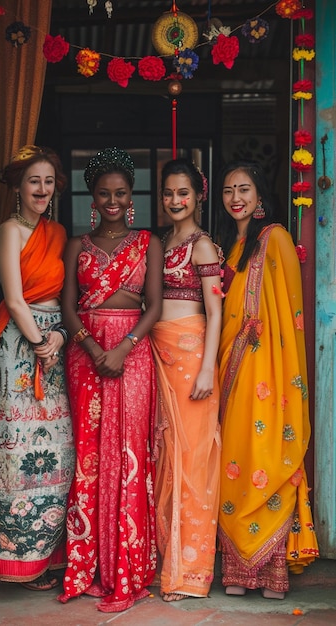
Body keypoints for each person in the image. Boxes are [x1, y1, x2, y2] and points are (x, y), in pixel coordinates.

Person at [58, 147, 163, 612]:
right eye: (104, 193)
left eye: (121, 192)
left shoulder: (148, 242)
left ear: (131, 194)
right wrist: (93, 346)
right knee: (90, 454)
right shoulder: (76, 246)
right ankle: (90, 567)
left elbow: (154, 305)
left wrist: (121, 348)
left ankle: (128, 569)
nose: (113, 200)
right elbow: (67, 306)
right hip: (86, 356)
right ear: (92, 197)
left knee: (128, 453)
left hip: (133, 354)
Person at [215, 160, 319, 599]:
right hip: (232, 371)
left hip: (269, 372)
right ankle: (240, 573)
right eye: (227, 191)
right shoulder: (227, 246)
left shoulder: (273, 237)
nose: (236, 198)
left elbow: (289, 312)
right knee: (234, 461)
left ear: (259, 195)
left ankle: (272, 570)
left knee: (266, 454)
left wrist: (273, 363)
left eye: (244, 189)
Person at [0, 145, 75, 590]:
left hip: (54, 343)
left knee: (57, 452)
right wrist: (39, 343)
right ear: (18, 187)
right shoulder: (9, 232)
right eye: (33, 181)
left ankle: (51, 553)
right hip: (21, 347)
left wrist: (59, 336)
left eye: (49, 181)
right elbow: (15, 299)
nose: (42, 189)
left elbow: (66, 297)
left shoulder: (56, 232)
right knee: (20, 452)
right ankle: (21, 557)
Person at [150, 158, 222, 602]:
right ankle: (166, 562)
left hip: (192, 357)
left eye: (183, 193)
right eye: (169, 193)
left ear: (199, 195)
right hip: (157, 354)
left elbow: (214, 312)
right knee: (164, 459)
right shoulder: (161, 240)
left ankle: (190, 571)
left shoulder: (203, 247)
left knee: (192, 462)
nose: (175, 200)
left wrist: (208, 367)